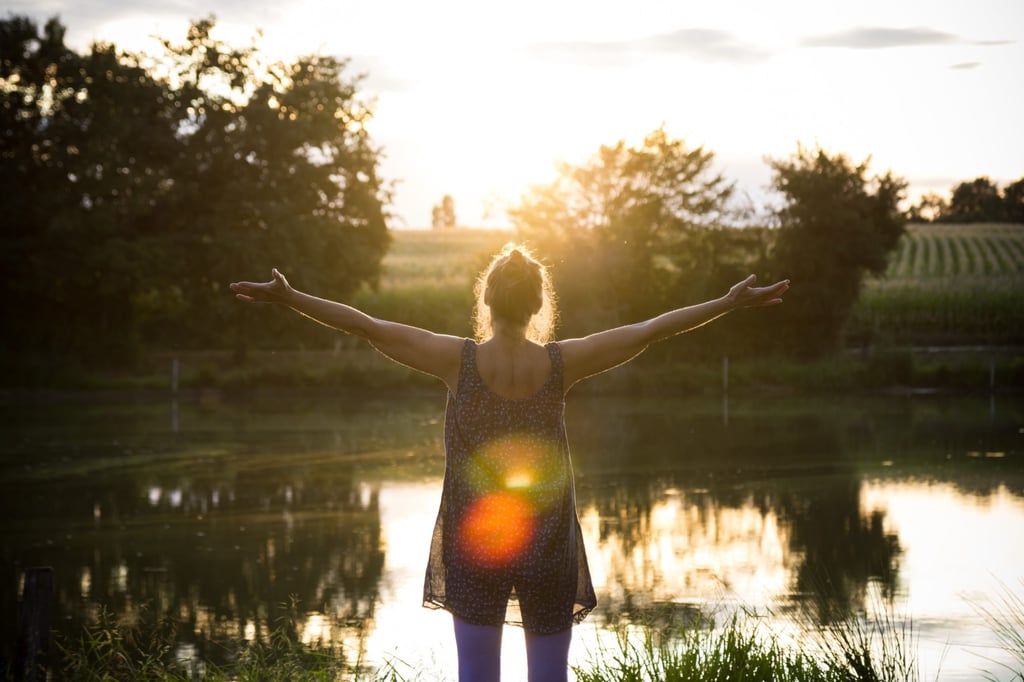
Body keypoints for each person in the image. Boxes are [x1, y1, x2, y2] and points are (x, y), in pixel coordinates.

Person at [230, 243, 788, 682]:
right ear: (539, 304)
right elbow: (649, 331)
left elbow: (366, 326)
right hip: (548, 544)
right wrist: (728, 302)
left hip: (476, 544)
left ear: (488, 301)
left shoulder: (457, 360)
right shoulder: (561, 362)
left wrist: (290, 297)